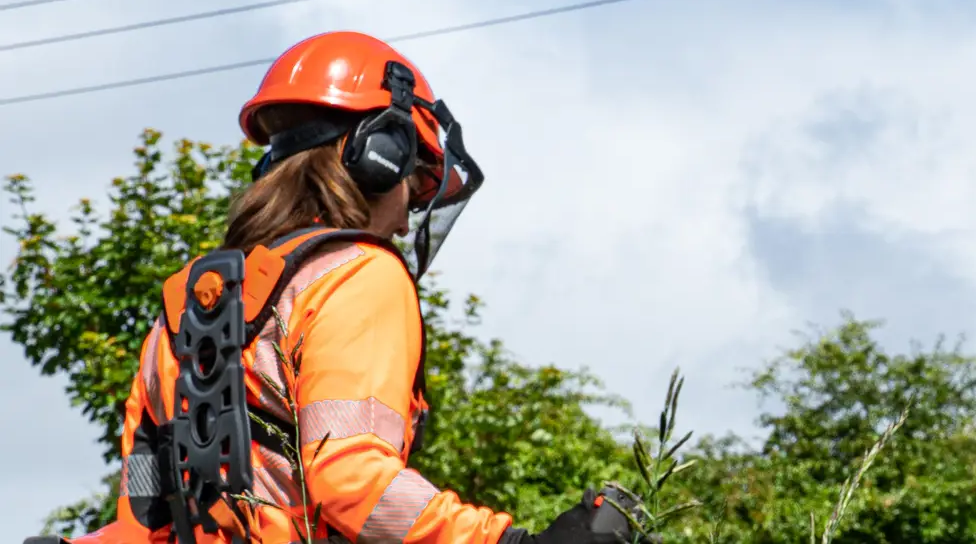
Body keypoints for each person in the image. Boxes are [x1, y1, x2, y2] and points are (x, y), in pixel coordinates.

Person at [35, 31, 639, 544]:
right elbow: (352, 480)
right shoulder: (356, 276)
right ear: (380, 156)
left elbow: (141, 502)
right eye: (414, 185)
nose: (406, 220)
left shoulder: (185, 313)